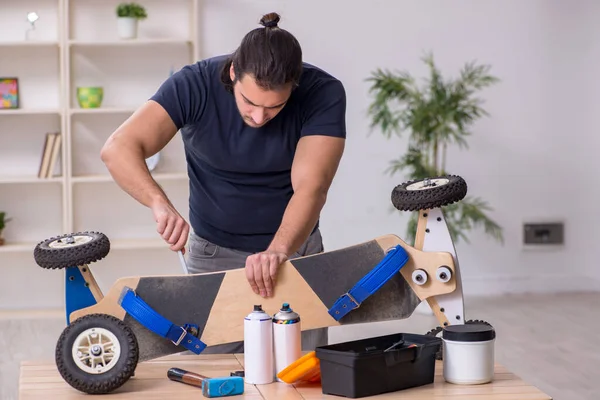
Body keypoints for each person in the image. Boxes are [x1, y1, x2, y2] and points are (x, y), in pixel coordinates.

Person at [100, 12, 346, 353]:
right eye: (249, 102)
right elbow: (118, 149)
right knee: (217, 378)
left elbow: (312, 187)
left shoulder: (324, 93)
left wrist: (277, 251)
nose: (259, 118)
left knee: (301, 376)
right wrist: (159, 203)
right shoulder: (194, 84)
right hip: (212, 255)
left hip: (294, 255)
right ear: (233, 73)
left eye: (275, 107)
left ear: (295, 84)